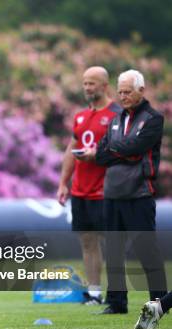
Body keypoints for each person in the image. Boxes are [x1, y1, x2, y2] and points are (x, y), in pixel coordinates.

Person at [80, 69, 167, 314]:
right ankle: (117, 303)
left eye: (127, 91)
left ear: (141, 90)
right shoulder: (116, 120)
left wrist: (115, 150)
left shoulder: (153, 118)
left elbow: (138, 147)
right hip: (112, 193)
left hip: (139, 193)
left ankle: (159, 303)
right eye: (120, 92)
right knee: (114, 251)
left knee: (146, 250)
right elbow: (102, 153)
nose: (123, 96)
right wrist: (122, 151)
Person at [57, 66, 121, 305]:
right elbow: (69, 151)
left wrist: (98, 154)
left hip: (106, 189)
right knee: (87, 241)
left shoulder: (116, 114)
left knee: (112, 241)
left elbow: (123, 149)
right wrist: (63, 183)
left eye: (92, 83)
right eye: (84, 83)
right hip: (81, 190)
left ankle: (117, 294)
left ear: (105, 85)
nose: (87, 87)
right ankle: (94, 293)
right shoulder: (81, 116)